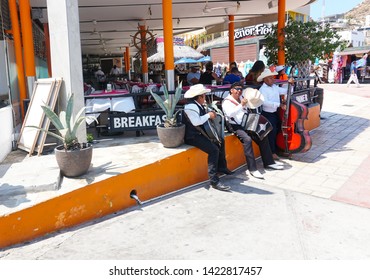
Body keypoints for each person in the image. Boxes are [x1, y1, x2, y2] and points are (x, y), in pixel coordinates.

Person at [222, 82, 283, 179]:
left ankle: (269, 162)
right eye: (236, 89)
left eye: (240, 89)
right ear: (231, 90)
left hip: (246, 123)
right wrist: (241, 105)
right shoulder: (227, 101)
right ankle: (253, 169)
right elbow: (230, 114)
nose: (239, 91)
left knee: (262, 135)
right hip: (235, 125)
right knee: (247, 140)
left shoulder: (242, 98)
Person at [183, 84, 233, 191]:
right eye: (204, 95)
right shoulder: (191, 107)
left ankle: (222, 167)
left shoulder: (197, 105)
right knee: (213, 150)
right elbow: (196, 122)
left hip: (200, 133)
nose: (205, 97)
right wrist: (208, 115)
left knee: (220, 141)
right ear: (199, 96)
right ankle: (214, 180)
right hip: (192, 136)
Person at [257, 69, 293, 160]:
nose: (272, 79)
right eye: (270, 78)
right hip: (267, 114)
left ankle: (277, 149)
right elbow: (264, 103)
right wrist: (279, 105)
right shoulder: (262, 89)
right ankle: (272, 152)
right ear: (264, 79)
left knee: (277, 131)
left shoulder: (274, 87)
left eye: (272, 77)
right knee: (271, 133)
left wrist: (290, 84)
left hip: (274, 112)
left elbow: (286, 91)